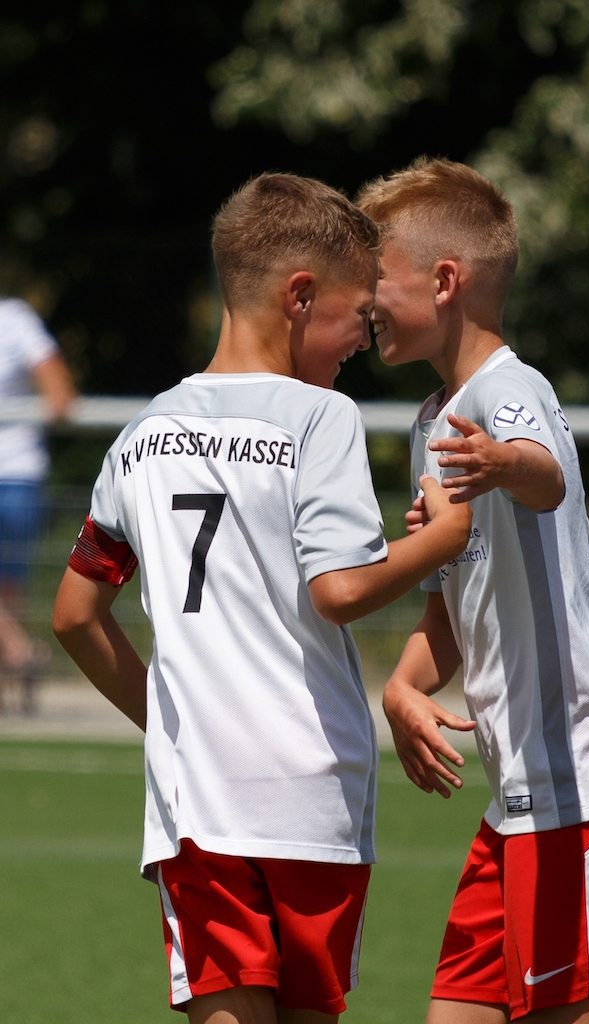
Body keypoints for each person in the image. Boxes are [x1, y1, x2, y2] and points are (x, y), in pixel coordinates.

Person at [52, 172, 472, 1024]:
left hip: (198, 801)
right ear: (300, 296)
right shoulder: (320, 418)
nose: (362, 341)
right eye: (358, 316)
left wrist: (170, 718)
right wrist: (447, 535)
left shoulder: (142, 434)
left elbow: (73, 614)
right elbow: (341, 591)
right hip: (310, 791)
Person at [357, 157, 589, 1024]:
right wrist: (403, 685)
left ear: (444, 281)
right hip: (517, 801)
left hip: (581, 779)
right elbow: (447, 611)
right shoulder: (431, 422)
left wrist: (503, 462)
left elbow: (544, 476)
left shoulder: (507, 390)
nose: (364, 300)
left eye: (377, 276)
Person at [0, 296, 76, 714]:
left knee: (10, 588)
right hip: (19, 474)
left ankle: (16, 661)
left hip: (15, 473)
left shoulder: (14, 319)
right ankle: (21, 653)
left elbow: (59, 393)